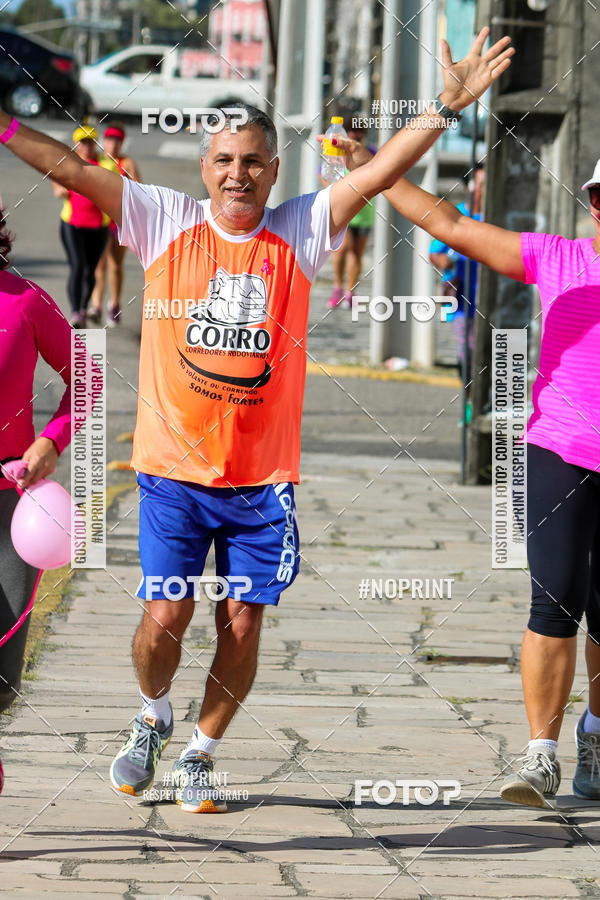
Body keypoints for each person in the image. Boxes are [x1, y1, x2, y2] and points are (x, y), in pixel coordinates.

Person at [0, 29, 512, 813]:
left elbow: (377, 172)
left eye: (253, 161)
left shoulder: (301, 228)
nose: (237, 173)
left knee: (240, 622)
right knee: (164, 613)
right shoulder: (162, 218)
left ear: (274, 170)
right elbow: (67, 167)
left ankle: (201, 753)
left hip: (261, 483)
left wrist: (444, 106)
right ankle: (153, 715)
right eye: (224, 160)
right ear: (205, 168)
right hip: (172, 469)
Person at [328, 134, 600, 808]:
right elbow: (448, 224)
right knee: (555, 599)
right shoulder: (559, 259)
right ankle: (541, 755)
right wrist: (372, 168)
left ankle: (595, 732)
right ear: (593, 204)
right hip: (559, 451)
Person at [0, 209, 77, 795]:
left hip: (12, 509)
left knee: (2, 672)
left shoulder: (25, 302)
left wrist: (50, 441)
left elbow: (90, 375)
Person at [429, 164, 485, 422]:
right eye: (479, 184)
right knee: (468, 353)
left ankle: (483, 401)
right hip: (463, 300)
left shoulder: (494, 216)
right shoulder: (457, 215)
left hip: (491, 300)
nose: (483, 190)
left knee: (492, 353)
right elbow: (434, 251)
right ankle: (471, 402)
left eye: (487, 184)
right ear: (469, 187)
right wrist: (446, 263)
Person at [52, 125, 110, 327]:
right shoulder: (67, 162)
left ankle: (84, 309)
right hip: (72, 224)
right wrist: (63, 186)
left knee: (90, 269)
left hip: (98, 227)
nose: (87, 146)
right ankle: (76, 312)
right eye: (83, 142)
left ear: (95, 143)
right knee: (77, 266)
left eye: (90, 142)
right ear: (76, 144)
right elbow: (57, 187)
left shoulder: (105, 164)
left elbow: (114, 189)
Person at [89, 122, 141, 327]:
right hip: (98, 221)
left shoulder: (126, 162)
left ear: (122, 143)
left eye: (118, 141)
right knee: (99, 265)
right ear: (104, 141)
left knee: (115, 265)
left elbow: (139, 189)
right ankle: (96, 307)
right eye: (110, 139)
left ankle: (115, 305)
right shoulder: (98, 160)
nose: (113, 144)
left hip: (120, 221)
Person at [327, 122, 376, 310]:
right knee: (342, 247)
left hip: (364, 212)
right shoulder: (336, 150)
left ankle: (350, 291)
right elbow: (323, 174)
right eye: (353, 132)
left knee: (357, 253)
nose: (356, 136)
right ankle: (338, 287)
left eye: (359, 133)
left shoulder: (371, 151)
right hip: (343, 208)